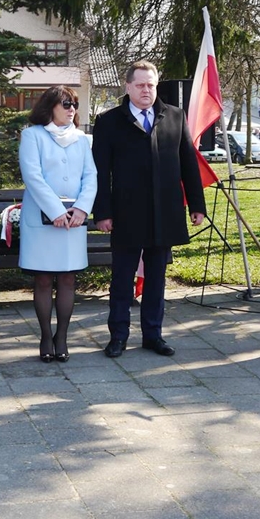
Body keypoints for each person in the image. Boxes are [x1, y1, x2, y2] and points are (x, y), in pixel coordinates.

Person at [92, 61, 206, 359]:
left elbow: (188, 164)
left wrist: (197, 204)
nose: (146, 90)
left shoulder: (174, 117)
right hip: (126, 213)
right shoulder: (109, 121)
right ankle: (118, 336)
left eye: (151, 85)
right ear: (127, 87)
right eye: (140, 85)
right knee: (122, 279)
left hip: (164, 212)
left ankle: (153, 335)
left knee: (156, 278)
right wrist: (102, 212)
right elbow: (101, 173)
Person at [18, 86, 97, 363]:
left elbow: (91, 176)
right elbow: (33, 176)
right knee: (42, 279)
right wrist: (55, 212)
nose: (71, 108)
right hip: (42, 220)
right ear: (50, 106)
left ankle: (61, 336)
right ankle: (44, 335)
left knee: (67, 278)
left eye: (74, 103)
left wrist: (81, 209)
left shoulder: (81, 139)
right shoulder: (32, 136)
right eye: (65, 103)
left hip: (73, 221)